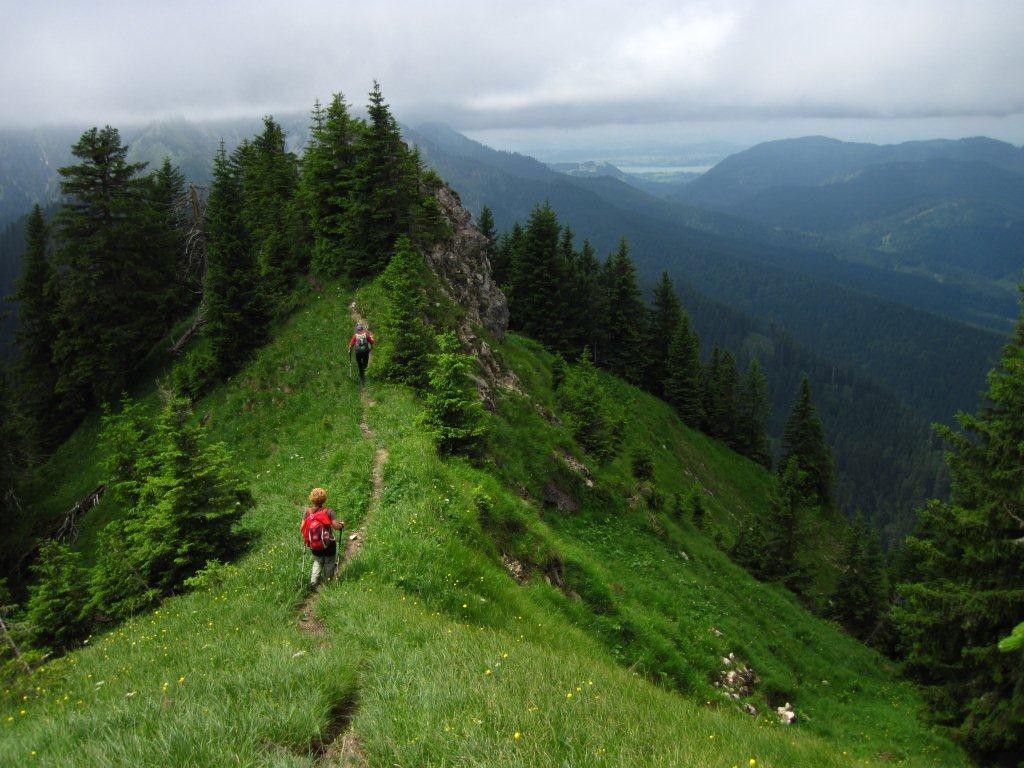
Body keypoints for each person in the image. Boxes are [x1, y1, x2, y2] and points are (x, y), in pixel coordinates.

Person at [301, 487, 345, 588]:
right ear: (324, 498)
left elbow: (302, 528)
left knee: (318, 561)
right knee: (329, 561)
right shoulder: (328, 511)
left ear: (311, 498)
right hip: (329, 544)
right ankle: (327, 582)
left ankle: (313, 582)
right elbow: (336, 526)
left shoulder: (307, 512)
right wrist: (342, 525)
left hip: (314, 545)